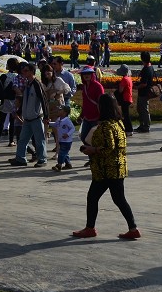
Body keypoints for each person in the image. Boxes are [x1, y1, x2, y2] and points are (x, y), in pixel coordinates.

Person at [72, 94, 141, 240]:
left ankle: (90, 228)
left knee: (93, 197)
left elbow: (109, 147)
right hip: (118, 167)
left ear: (102, 107)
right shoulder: (119, 123)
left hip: (106, 169)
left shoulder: (105, 126)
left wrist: (92, 150)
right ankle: (133, 228)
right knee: (118, 199)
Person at [9, 62, 49, 168]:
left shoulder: (36, 84)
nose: (23, 72)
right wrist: (19, 112)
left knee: (39, 140)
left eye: (26, 70)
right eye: (23, 70)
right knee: (22, 140)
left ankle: (42, 159)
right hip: (27, 118)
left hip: (36, 117)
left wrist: (46, 115)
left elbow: (43, 100)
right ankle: (20, 158)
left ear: (32, 71)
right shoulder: (28, 83)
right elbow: (25, 100)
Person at [48, 103, 76, 172]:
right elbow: (55, 124)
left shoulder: (67, 120)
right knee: (64, 153)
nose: (58, 111)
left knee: (62, 153)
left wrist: (68, 134)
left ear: (65, 112)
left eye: (60, 110)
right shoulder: (59, 119)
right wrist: (48, 123)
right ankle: (68, 164)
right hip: (61, 140)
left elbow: (73, 128)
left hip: (67, 141)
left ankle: (59, 165)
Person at [134, 52, 155, 133]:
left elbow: (144, 84)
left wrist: (136, 87)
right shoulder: (150, 66)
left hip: (144, 92)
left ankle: (146, 126)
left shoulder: (146, 69)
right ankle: (142, 125)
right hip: (145, 92)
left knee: (144, 110)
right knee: (140, 109)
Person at [115, 65, 134, 137]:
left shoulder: (124, 79)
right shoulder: (129, 78)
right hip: (129, 98)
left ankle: (129, 130)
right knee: (126, 114)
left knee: (125, 115)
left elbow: (120, 90)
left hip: (125, 99)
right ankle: (128, 129)